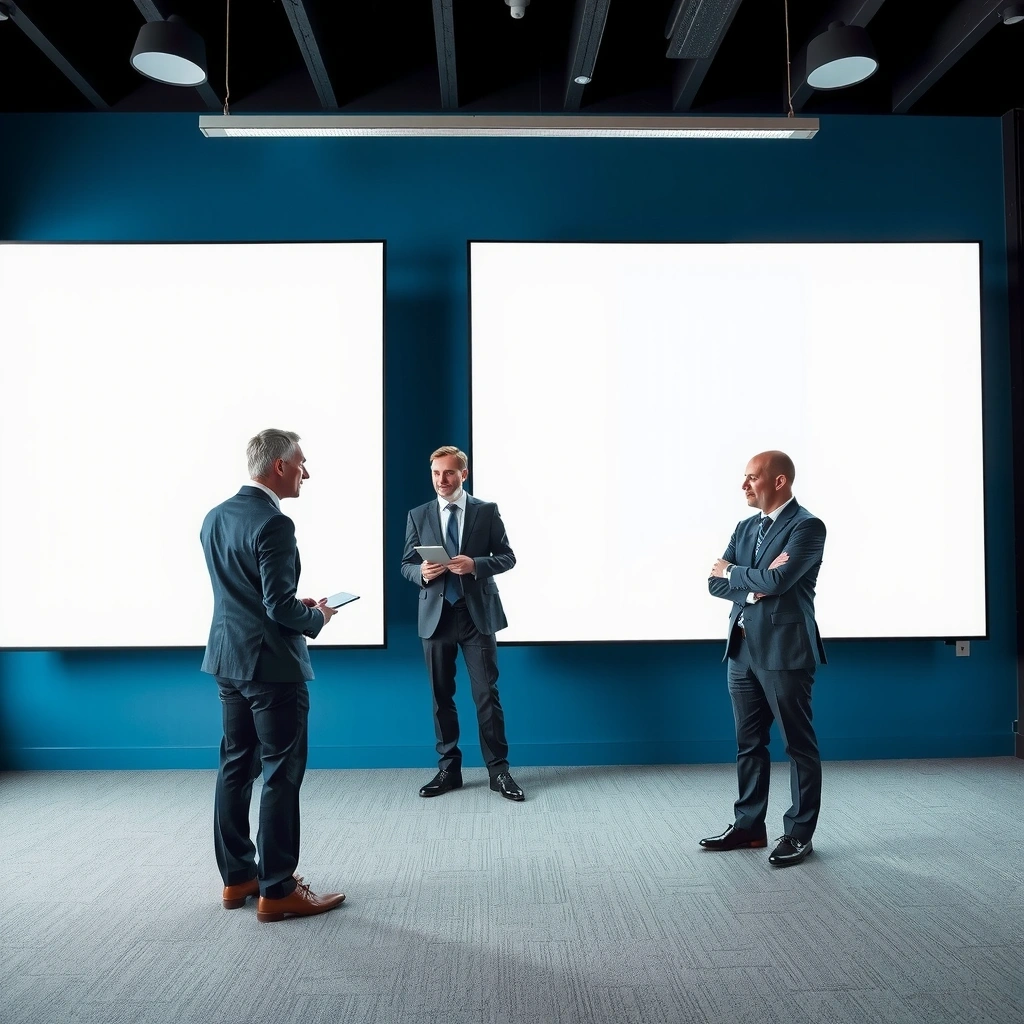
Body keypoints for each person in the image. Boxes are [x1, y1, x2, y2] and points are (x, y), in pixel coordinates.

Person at [201, 428, 346, 921]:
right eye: (301, 463)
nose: (307, 473)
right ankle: (278, 888)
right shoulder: (275, 523)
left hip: (228, 660)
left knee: (235, 766)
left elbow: (245, 594)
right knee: (281, 772)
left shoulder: (216, 516)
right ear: (279, 466)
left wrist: (289, 605)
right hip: (271, 668)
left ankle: (237, 877)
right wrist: (316, 617)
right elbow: (279, 607)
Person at [703, 450, 826, 867]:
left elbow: (779, 579)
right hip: (741, 651)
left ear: (779, 481)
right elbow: (713, 583)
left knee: (798, 745)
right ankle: (750, 826)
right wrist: (753, 586)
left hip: (784, 652)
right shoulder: (744, 527)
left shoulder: (806, 526)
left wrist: (734, 573)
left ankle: (799, 834)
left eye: (752, 478)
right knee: (749, 743)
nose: (744, 485)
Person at [400, 445, 524, 802]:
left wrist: (476, 565)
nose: (442, 479)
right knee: (441, 696)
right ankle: (449, 770)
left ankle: (499, 772)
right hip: (435, 617)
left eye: (449, 472)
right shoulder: (418, 514)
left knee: (486, 695)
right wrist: (422, 573)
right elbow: (406, 564)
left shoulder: (486, 511)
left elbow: (508, 557)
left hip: (476, 615)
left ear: (463, 474)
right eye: (436, 473)